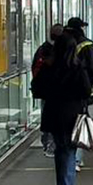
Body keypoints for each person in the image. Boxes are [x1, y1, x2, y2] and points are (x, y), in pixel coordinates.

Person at [38, 32, 91, 185]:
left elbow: (37, 89)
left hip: (53, 114)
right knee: (68, 150)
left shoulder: (48, 68)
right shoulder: (77, 68)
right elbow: (86, 91)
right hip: (72, 115)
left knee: (61, 150)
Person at [65, 17, 93, 171]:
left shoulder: (60, 43)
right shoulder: (86, 44)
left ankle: (66, 157)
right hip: (81, 91)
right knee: (79, 121)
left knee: (64, 124)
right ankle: (76, 160)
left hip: (61, 92)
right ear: (81, 28)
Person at [32, 24, 65, 156]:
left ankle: (48, 143)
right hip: (58, 92)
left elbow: (36, 70)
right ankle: (52, 144)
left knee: (47, 116)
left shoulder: (43, 49)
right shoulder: (63, 50)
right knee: (56, 117)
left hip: (47, 91)